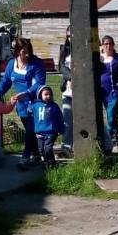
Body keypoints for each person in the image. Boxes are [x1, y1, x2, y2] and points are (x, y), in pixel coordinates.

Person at [0, 37, 46, 170]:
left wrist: (27, 93)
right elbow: (6, 81)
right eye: (24, 52)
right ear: (17, 51)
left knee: (30, 130)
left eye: (29, 51)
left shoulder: (37, 64)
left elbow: (40, 83)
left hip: (35, 103)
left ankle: (25, 157)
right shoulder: (12, 64)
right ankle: (36, 155)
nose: (27, 54)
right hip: (21, 105)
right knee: (30, 131)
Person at [31, 85, 65, 169]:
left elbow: (60, 118)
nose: (48, 96)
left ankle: (52, 163)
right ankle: (47, 163)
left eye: (50, 94)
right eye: (46, 94)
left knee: (48, 148)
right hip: (39, 133)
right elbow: (29, 110)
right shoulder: (35, 105)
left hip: (51, 132)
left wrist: (61, 129)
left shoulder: (54, 106)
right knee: (42, 149)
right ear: (40, 95)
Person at [58, 26, 74, 154]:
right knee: (67, 121)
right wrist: (71, 78)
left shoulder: (84, 49)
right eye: (68, 36)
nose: (70, 38)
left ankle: (106, 144)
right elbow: (61, 67)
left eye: (72, 35)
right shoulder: (64, 49)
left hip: (82, 92)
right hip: (68, 91)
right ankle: (66, 148)